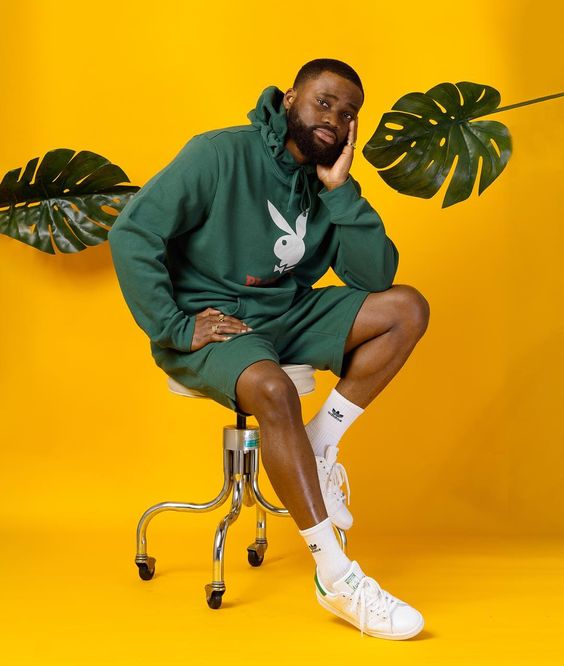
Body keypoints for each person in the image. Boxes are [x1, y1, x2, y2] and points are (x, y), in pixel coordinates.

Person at [108, 58, 430, 639]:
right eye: (323, 102)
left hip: (286, 314)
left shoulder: (325, 182)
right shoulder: (218, 155)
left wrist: (340, 191)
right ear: (289, 99)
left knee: (406, 308)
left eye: (348, 113)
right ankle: (336, 577)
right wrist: (176, 326)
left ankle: (320, 442)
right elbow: (133, 232)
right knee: (275, 390)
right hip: (219, 324)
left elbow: (375, 277)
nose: (334, 119)